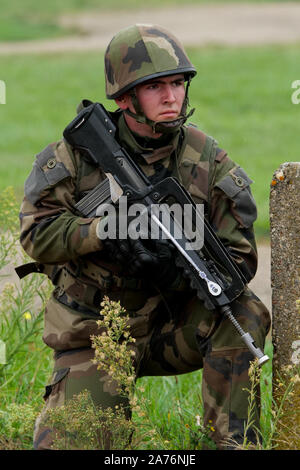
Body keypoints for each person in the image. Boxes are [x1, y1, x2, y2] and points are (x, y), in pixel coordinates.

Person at [19, 24, 270, 450]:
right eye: (155, 87)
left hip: (172, 324)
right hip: (95, 333)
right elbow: (36, 234)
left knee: (242, 314)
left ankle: (233, 444)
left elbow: (240, 258)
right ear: (123, 98)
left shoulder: (205, 159)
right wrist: (105, 232)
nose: (172, 96)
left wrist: (176, 263)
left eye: (177, 83)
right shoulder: (76, 156)